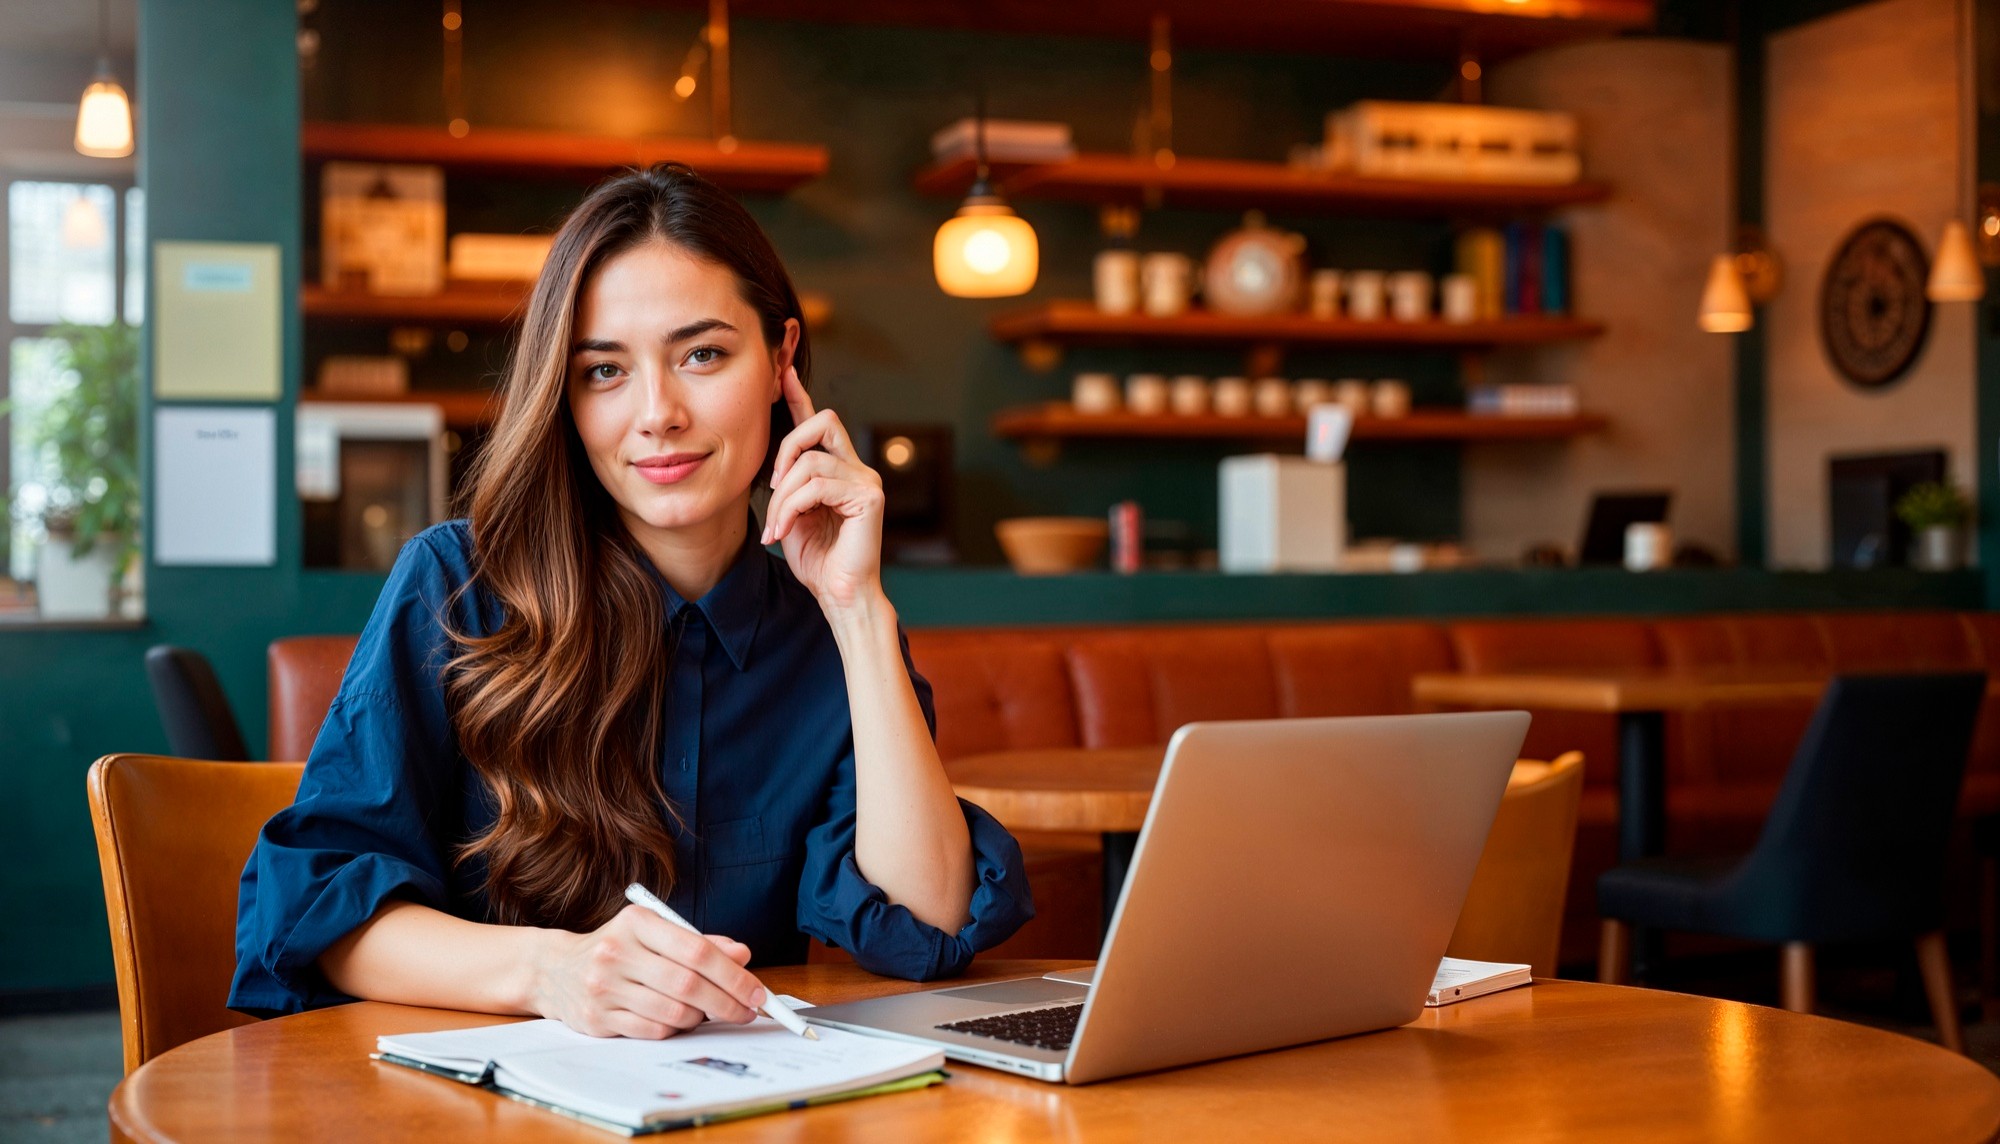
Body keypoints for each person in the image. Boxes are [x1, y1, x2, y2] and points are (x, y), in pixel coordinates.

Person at [230, 164, 1032, 1037]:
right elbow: (322, 914)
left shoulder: (825, 627)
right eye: (605, 371)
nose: (658, 413)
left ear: (780, 360)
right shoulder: (458, 585)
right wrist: (551, 971)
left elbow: (929, 917)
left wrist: (859, 612)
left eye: (702, 355)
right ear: (564, 397)